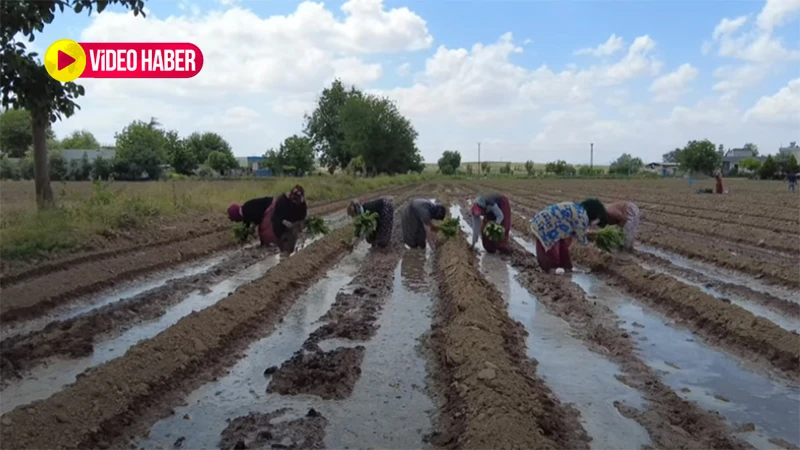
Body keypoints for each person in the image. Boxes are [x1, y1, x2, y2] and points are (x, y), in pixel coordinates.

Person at [529, 198, 608, 273]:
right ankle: (551, 273)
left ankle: (567, 268)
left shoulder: (578, 209)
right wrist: (596, 260)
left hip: (545, 223)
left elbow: (577, 230)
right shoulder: (582, 217)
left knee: (563, 245)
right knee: (552, 253)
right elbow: (584, 243)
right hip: (545, 227)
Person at [258, 185, 308, 253]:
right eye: (295, 201)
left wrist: (299, 223)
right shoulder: (282, 201)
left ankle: (287, 253)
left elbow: (303, 216)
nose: (296, 203)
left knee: (290, 247)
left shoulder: (302, 204)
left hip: (292, 227)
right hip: (280, 227)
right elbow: (276, 217)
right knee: (284, 246)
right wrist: (284, 222)